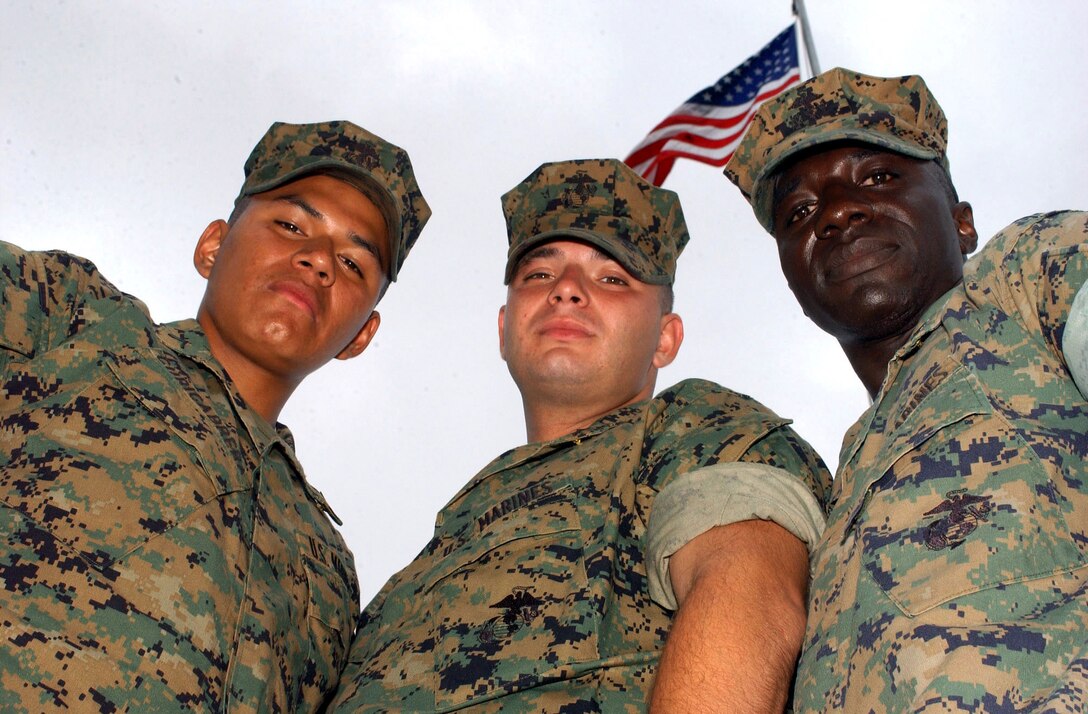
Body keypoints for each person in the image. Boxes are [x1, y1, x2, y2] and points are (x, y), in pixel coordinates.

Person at [330, 158, 831, 712]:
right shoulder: (428, 559)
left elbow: (750, 600)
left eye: (612, 278)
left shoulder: (692, 428)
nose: (566, 290)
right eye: (539, 275)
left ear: (665, 340)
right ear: (504, 329)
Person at [0, 120, 430, 712]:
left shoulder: (328, 577)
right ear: (212, 245)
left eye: (354, 264)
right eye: (291, 225)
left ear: (361, 336)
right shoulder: (72, 323)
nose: (317, 260)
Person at [724, 67, 1088, 712]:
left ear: (962, 222)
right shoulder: (832, 499)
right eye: (801, 212)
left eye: (879, 178)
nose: (837, 211)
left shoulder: (1025, 280)